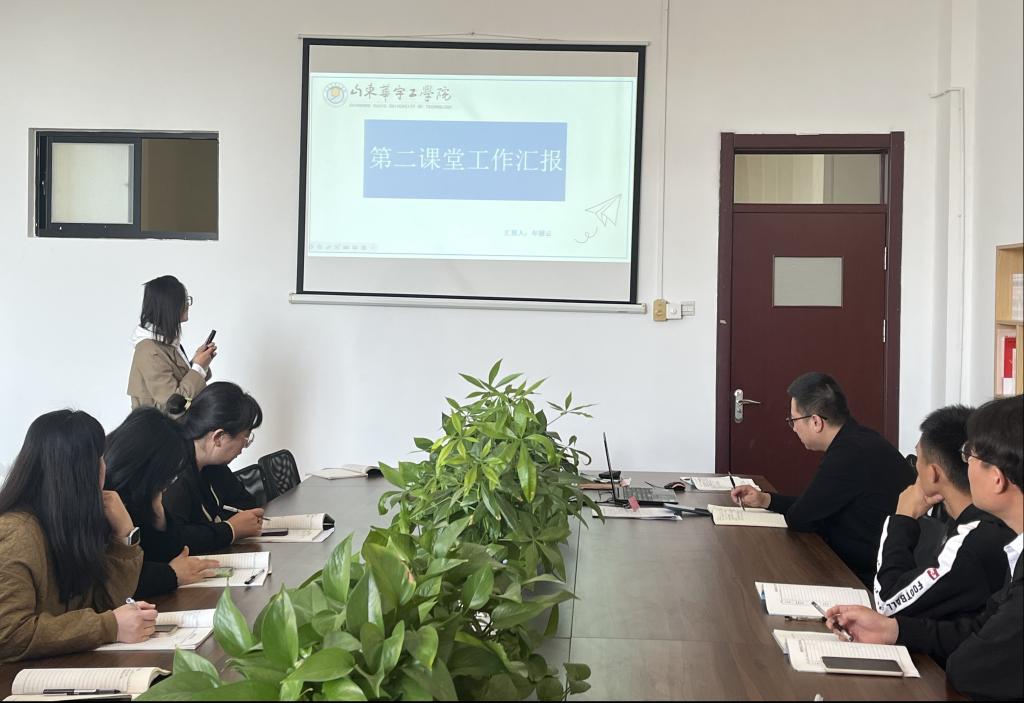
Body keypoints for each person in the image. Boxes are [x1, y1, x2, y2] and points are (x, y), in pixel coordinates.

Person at [826, 395, 1023, 701]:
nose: (966, 464)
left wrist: (902, 519)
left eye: (970, 455)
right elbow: (980, 628)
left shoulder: (981, 541)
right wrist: (894, 630)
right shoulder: (1013, 549)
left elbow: (968, 667)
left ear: (997, 479)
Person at [0, 410, 157, 663]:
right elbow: (9, 635)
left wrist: (125, 535)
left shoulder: (69, 525)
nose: (104, 468)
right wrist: (109, 626)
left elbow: (105, 604)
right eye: (99, 459)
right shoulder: (17, 533)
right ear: (83, 472)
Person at [730, 372, 914, 585]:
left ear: (816, 422)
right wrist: (765, 500)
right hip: (866, 561)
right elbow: (813, 506)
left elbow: (800, 517)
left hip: (865, 577)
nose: (794, 428)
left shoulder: (848, 454)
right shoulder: (859, 439)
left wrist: (776, 503)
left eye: (793, 420)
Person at [873, 404, 1014, 621]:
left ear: (933, 474)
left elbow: (888, 603)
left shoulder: (974, 542)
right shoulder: (991, 522)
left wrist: (902, 519)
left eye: (918, 458)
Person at [104, 408, 221, 598]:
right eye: (169, 475)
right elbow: (117, 582)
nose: (170, 483)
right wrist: (171, 574)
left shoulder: (142, 494)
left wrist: (157, 510)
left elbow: (172, 553)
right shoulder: (106, 499)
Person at [162, 382, 266, 553]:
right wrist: (229, 529)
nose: (243, 448)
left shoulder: (214, 465)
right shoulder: (175, 473)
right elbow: (173, 540)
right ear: (219, 437)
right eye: (245, 439)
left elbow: (246, 503)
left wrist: (217, 526)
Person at [127, 275, 216, 414]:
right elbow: (175, 406)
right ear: (170, 306)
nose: (188, 305)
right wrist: (198, 368)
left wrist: (198, 363)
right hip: (160, 427)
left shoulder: (164, 342)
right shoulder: (149, 351)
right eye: (184, 300)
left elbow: (177, 385)